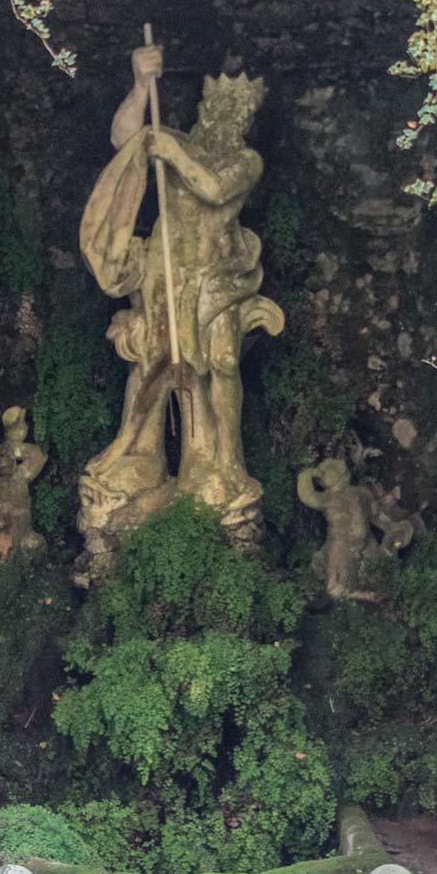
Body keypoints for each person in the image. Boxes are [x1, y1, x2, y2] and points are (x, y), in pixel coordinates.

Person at [76, 40, 283, 576]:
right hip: (166, 275)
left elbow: (214, 189)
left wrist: (173, 155)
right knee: (153, 365)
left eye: (235, 112)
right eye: (216, 109)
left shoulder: (244, 160)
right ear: (205, 110)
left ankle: (217, 465)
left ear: (246, 118)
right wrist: (142, 84)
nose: (224, 118)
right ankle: (137, 458)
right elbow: (125, 138)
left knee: (216, 369)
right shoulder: (177, 138)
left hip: (213, 284)